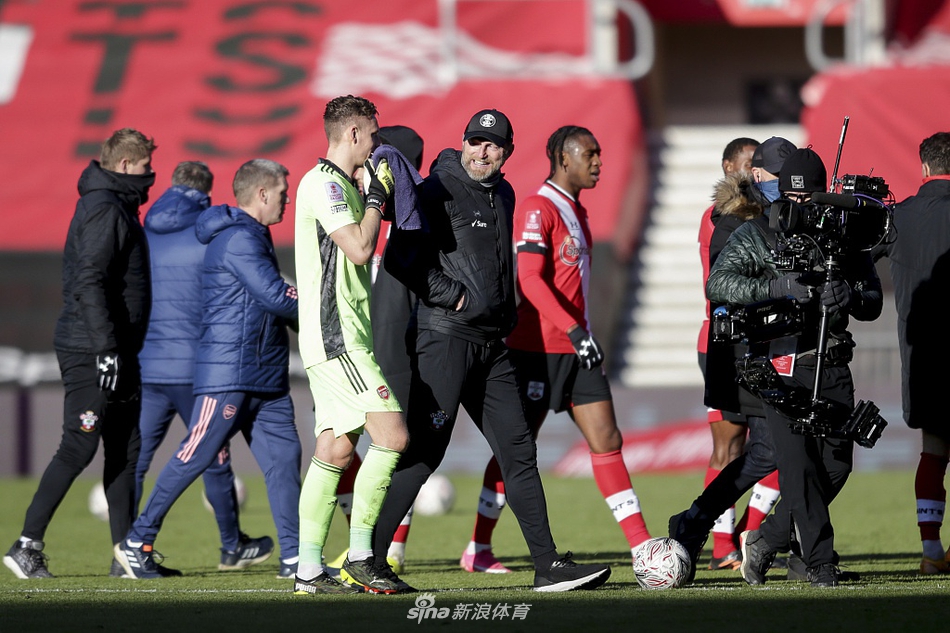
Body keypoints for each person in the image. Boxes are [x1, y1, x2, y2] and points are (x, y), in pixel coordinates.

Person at [377, 109, 611, 593]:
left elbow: (500, 267)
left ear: (506, 152)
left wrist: (501, 314)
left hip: (491, 346)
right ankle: (369, 558)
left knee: (519, 451)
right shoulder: (436, 188)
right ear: (463, 142)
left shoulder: (503, 192)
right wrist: (452, 295)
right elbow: (402, 257)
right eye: (475, 142)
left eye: (493, 145)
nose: (482, 151)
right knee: (424, 453)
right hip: (444, 339)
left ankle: (547, 567)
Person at [456, 125, 651, 575]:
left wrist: (581, 333)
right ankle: (478, 548)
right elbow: (530, 281)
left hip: (578, 349)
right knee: (516, 450)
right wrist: (572, 328)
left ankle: (642, 548)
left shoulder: (577, 211)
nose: (599, 162)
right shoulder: (538, 207)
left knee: (608, 441)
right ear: (565, 159)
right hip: (536, 349)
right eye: (592, 153)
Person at [703, 147, 883, 588]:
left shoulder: (843, 236)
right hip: (779, 366)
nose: (801, 208)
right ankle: (819, 562)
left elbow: (872, 301)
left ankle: (765, 539)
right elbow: (718, 282)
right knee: (798, 467)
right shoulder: (757, 233)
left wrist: (850, 295)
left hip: (834, 361)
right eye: (792, 199)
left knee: (836, 465)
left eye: (811, 199)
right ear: (779, 195)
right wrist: (778, 285)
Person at [114, 159, 302, 579]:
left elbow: (274, 300)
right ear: (262, 194)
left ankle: (296, 559)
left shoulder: (255, 234)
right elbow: (277, 297)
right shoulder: (237, 239)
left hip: (265, 373)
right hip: (228, 373)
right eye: (283, 193)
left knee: (286, 460)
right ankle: (136, 542)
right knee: (193, 456)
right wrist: (325, 312)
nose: (287, 201)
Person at [4, 128, 156, 579]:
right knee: (79, 443)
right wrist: (105, 349)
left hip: (118, 349)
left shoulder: (116, 206)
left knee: (126, 449)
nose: (150, 176)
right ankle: (25, 545)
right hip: (92, 349)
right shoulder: (103, 208)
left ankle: (126, 554)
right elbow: (89, 280)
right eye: (146, 167)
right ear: (127, 166)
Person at [293, 95, 410, 595]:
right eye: (374, 133)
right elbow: (360, 248)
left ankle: (307, 571)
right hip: (337, 337)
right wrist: (379, 198)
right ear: (354, 133)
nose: (378, 142)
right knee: (393, 437)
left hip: (342, 334)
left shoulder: (341, 184)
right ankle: (362, 555)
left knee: (336, 449)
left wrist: (370, 194)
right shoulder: (324, 183)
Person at [329, 125, 425, 575]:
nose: (366, 170)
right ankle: (368, 545)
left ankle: (380, 547)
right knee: (344, 445)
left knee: (393, 448)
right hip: (359, 349)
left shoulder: (407, 223)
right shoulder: (371, 216)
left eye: (374, 161)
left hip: (392, 352)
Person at [696, 137, 784, 571]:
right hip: (723, 341)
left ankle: (748, 535)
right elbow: (719, 283)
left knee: (767, 449)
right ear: (729, 165)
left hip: (747, 341)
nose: (753, 173)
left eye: (760, 166)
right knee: (731, 449)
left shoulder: (764, 215)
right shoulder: (723, 220)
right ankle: (718, 543)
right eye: (748, 164)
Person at [879, 131, 950, 574]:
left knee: (934, 450)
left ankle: (929, 554)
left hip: (922, 353)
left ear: (923, 168)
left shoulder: (899, 216)